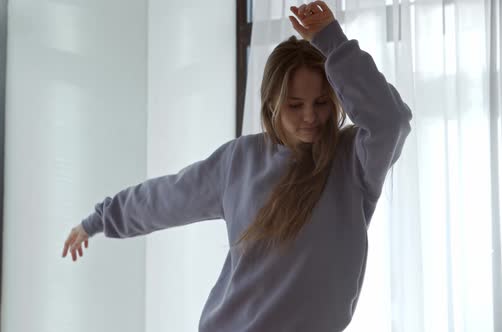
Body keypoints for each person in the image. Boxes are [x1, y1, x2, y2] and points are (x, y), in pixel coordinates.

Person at [62, 1, 413, 330]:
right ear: (272, 104)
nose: (310, 117)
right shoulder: (239, 161)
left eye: (321, 102)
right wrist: (99, 220)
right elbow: (165, 197)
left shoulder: (353, 160)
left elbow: (390, 120)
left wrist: (331, 41)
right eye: (294, 105)